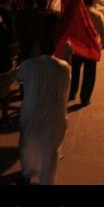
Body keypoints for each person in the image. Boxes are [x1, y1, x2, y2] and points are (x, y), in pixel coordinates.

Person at [14, 35, 71, 185]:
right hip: (56, 114)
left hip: (33, 112)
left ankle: (28, 173)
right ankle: (46, 180)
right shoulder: (64, 67)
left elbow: (17, 76)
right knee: (50, 150)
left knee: (29, 144)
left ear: (38, 49)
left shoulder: (29, 65)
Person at [68, 0, 103, 106]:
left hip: (78, 47)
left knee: (75, 71)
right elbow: (102, 31)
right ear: (93, 3)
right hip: (92, 47)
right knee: (89, 74)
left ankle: (72, 92)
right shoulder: (98, 15)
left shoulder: (79, 14)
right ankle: (85, 98)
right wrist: (102, 44)